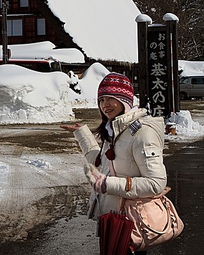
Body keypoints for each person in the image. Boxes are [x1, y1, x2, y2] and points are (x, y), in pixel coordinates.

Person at [61, 72, 167, 255]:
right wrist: (82, 134)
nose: (105, 105)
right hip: (114, 218)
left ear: (125, 100)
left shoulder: (142, 134)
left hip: (132, 221)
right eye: (101, 100)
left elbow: (156, 183)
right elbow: (102, 163)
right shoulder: (116, 129)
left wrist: (107, 184)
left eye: (111, 98)